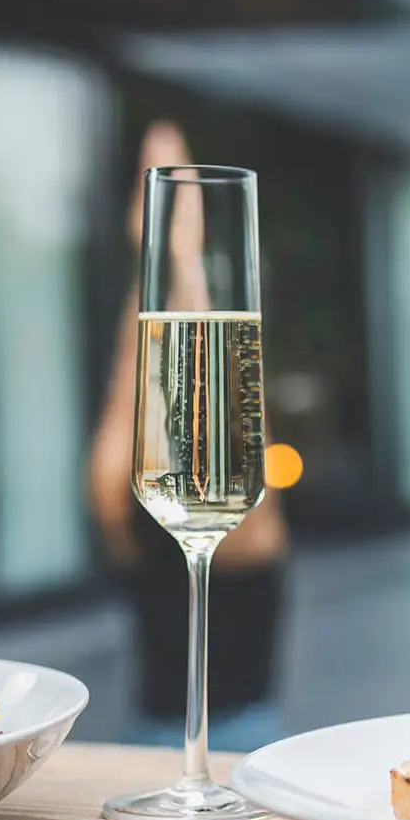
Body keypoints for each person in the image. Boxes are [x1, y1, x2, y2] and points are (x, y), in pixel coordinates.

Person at [90, 121, 290, 742]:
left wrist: (168, 248)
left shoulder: (127, 517)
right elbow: (210, 395)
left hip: (177, 740)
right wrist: (176, 252)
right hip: (204, 743)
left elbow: (152, 378)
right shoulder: (242, 529)